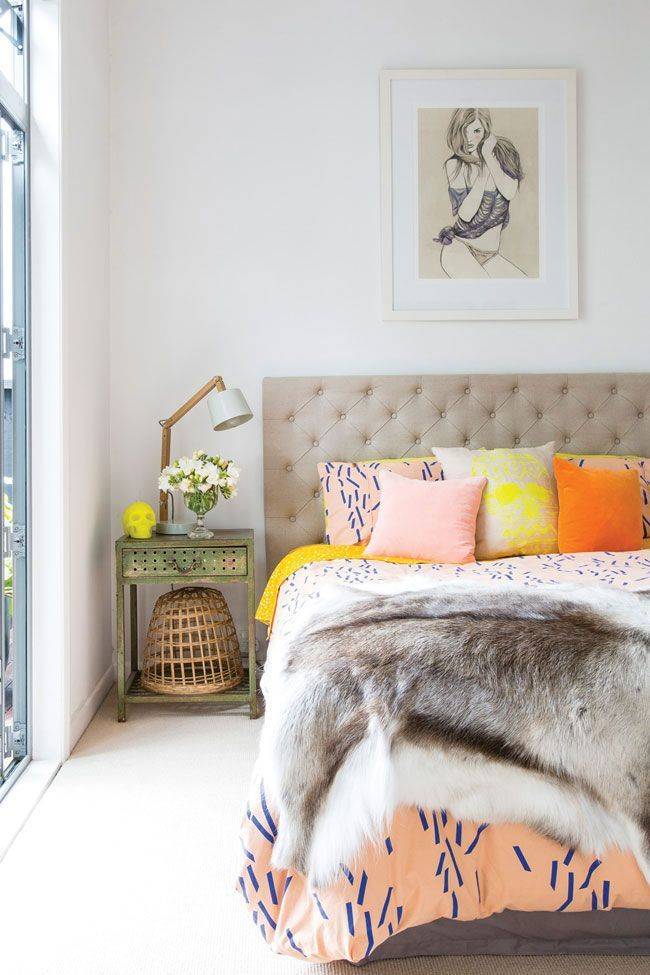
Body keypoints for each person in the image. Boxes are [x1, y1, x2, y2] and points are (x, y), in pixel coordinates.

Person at [435, 108, 525, 278]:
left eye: (476, 131)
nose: (469, 138)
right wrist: (483, 172)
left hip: (492, 256)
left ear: (486, 131)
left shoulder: (504, 153)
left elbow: (509, 192)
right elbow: (466, 215)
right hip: (460, 248)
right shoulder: (455, 165)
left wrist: (488, 158)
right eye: (464, 131)